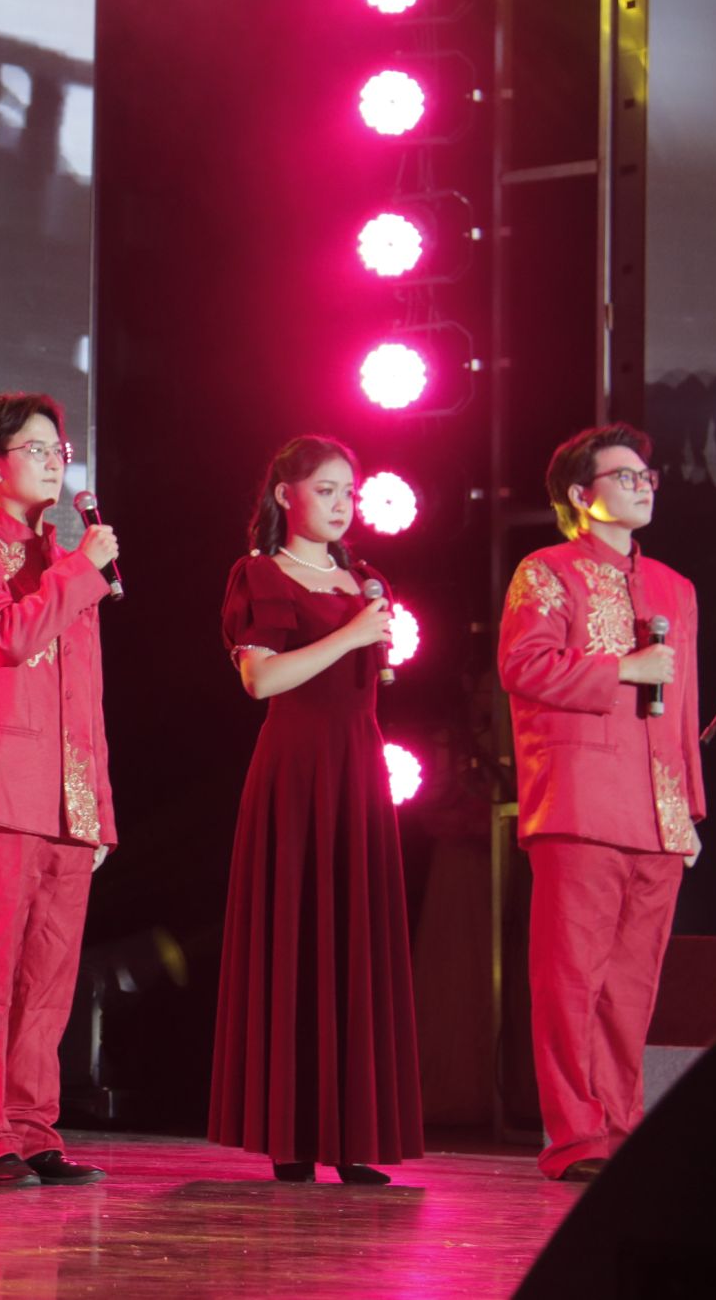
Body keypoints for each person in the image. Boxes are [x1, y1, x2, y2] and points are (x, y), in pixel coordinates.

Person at [208, 435, 422, 1186]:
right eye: (326, 490)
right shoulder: (261, 573)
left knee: (351, 940)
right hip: (297, 771)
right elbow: (262, 681)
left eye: (347, 492)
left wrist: (367, 632)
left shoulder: (364, 578)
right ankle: (290, 1136)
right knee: (297, 940)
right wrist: (353, 634)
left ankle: (350, 1135)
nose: (341, 504)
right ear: (285, 495)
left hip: (358, 766)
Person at [498, 423, 701, 1184]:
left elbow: (683, 709)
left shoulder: (676, 587)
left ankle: (623, 1131)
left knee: (631, 988)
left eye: (647, 474)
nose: (643, 485)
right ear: (582, 496)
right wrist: (624, 667)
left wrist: (688, 808)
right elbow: (524, 664)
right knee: (570, 980)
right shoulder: (547, 571)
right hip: (580, 802)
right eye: (625, 476)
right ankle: (576, 1136)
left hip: (656, 811)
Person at [0, 392, 117, 1188]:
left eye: (58, 450)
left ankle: (34, 1129)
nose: (53, 461)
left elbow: (86, 698)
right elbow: (8, 637)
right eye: (35, 449)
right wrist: (79, 569)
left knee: (48, 985)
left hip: (70, 805)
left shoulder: (72, 568)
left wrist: (100, 807)